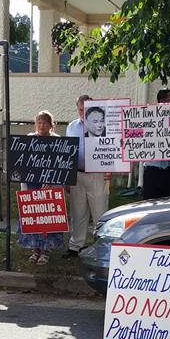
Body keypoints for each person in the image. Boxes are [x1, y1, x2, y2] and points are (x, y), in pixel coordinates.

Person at [18, 111, 66, 265]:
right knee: (34, 219)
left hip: (50, 187)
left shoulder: (58, 141)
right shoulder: (29, 140)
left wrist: (52, 181)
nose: (41, 125)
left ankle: (46, 251)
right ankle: (35, 250)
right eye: (39, 122)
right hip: (32, 185)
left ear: (51, 125)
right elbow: (22, 164)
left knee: (48, 219)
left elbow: (61, 165)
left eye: (45, 122)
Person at [64, 95, 109, 259]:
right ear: (78, 109)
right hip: (77, 174)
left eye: (86, 109)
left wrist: (110, 167)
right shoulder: (71, 126)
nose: (83, 112)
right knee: (77, 211)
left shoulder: (104, 125)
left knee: (100, 211)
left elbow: (111, 148)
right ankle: (76, 245)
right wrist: (68, 178)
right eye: (80, 109)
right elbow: (68, 151)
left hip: (97, 173)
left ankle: (102, 245)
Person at [142, 88, 170, 200]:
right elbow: (137, 140)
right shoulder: (147, 120)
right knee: (150, 207)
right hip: (153, 172)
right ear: (161, 101)